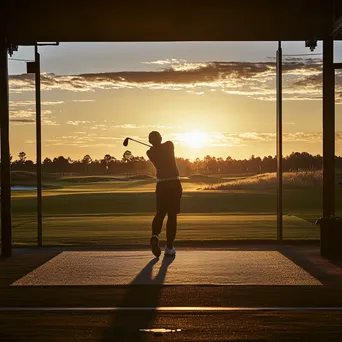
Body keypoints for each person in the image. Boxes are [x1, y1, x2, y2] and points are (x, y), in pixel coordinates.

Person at [146, 131, 182, 258]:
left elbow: (156, 149)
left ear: (150, 142)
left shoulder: (150, 152)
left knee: (160, 213)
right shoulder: (169, 145)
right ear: (160, 138)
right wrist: (156, 145)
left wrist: (154, 146)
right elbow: (164, 146)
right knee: (172, 215)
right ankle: (169, 247)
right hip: (174, 183)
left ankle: (155, 235)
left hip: (161, 185)